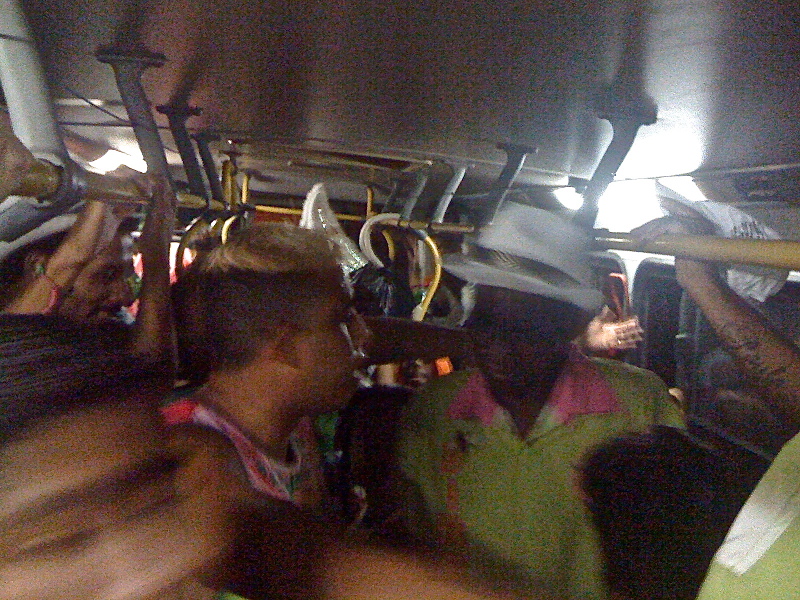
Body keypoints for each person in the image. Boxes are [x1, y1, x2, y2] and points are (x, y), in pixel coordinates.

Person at [0, 313, 564, 600]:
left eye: (153, 507)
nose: (151, 573)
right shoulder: (206, 443)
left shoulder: (235, 463)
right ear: (286, 345)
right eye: (57, 540)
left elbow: (287, 553)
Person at [383, 201, 683, 599]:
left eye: (526, 328)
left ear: (571, 327)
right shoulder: (437, 409)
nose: (500, 346)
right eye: (486, 323)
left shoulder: (638, 404)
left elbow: (670, 541)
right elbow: (414, 537)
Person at [169, 222, 371, 511]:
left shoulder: (292, 426)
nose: (364, 335)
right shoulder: (186, 465)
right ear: (286, 345)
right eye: (343, 319)